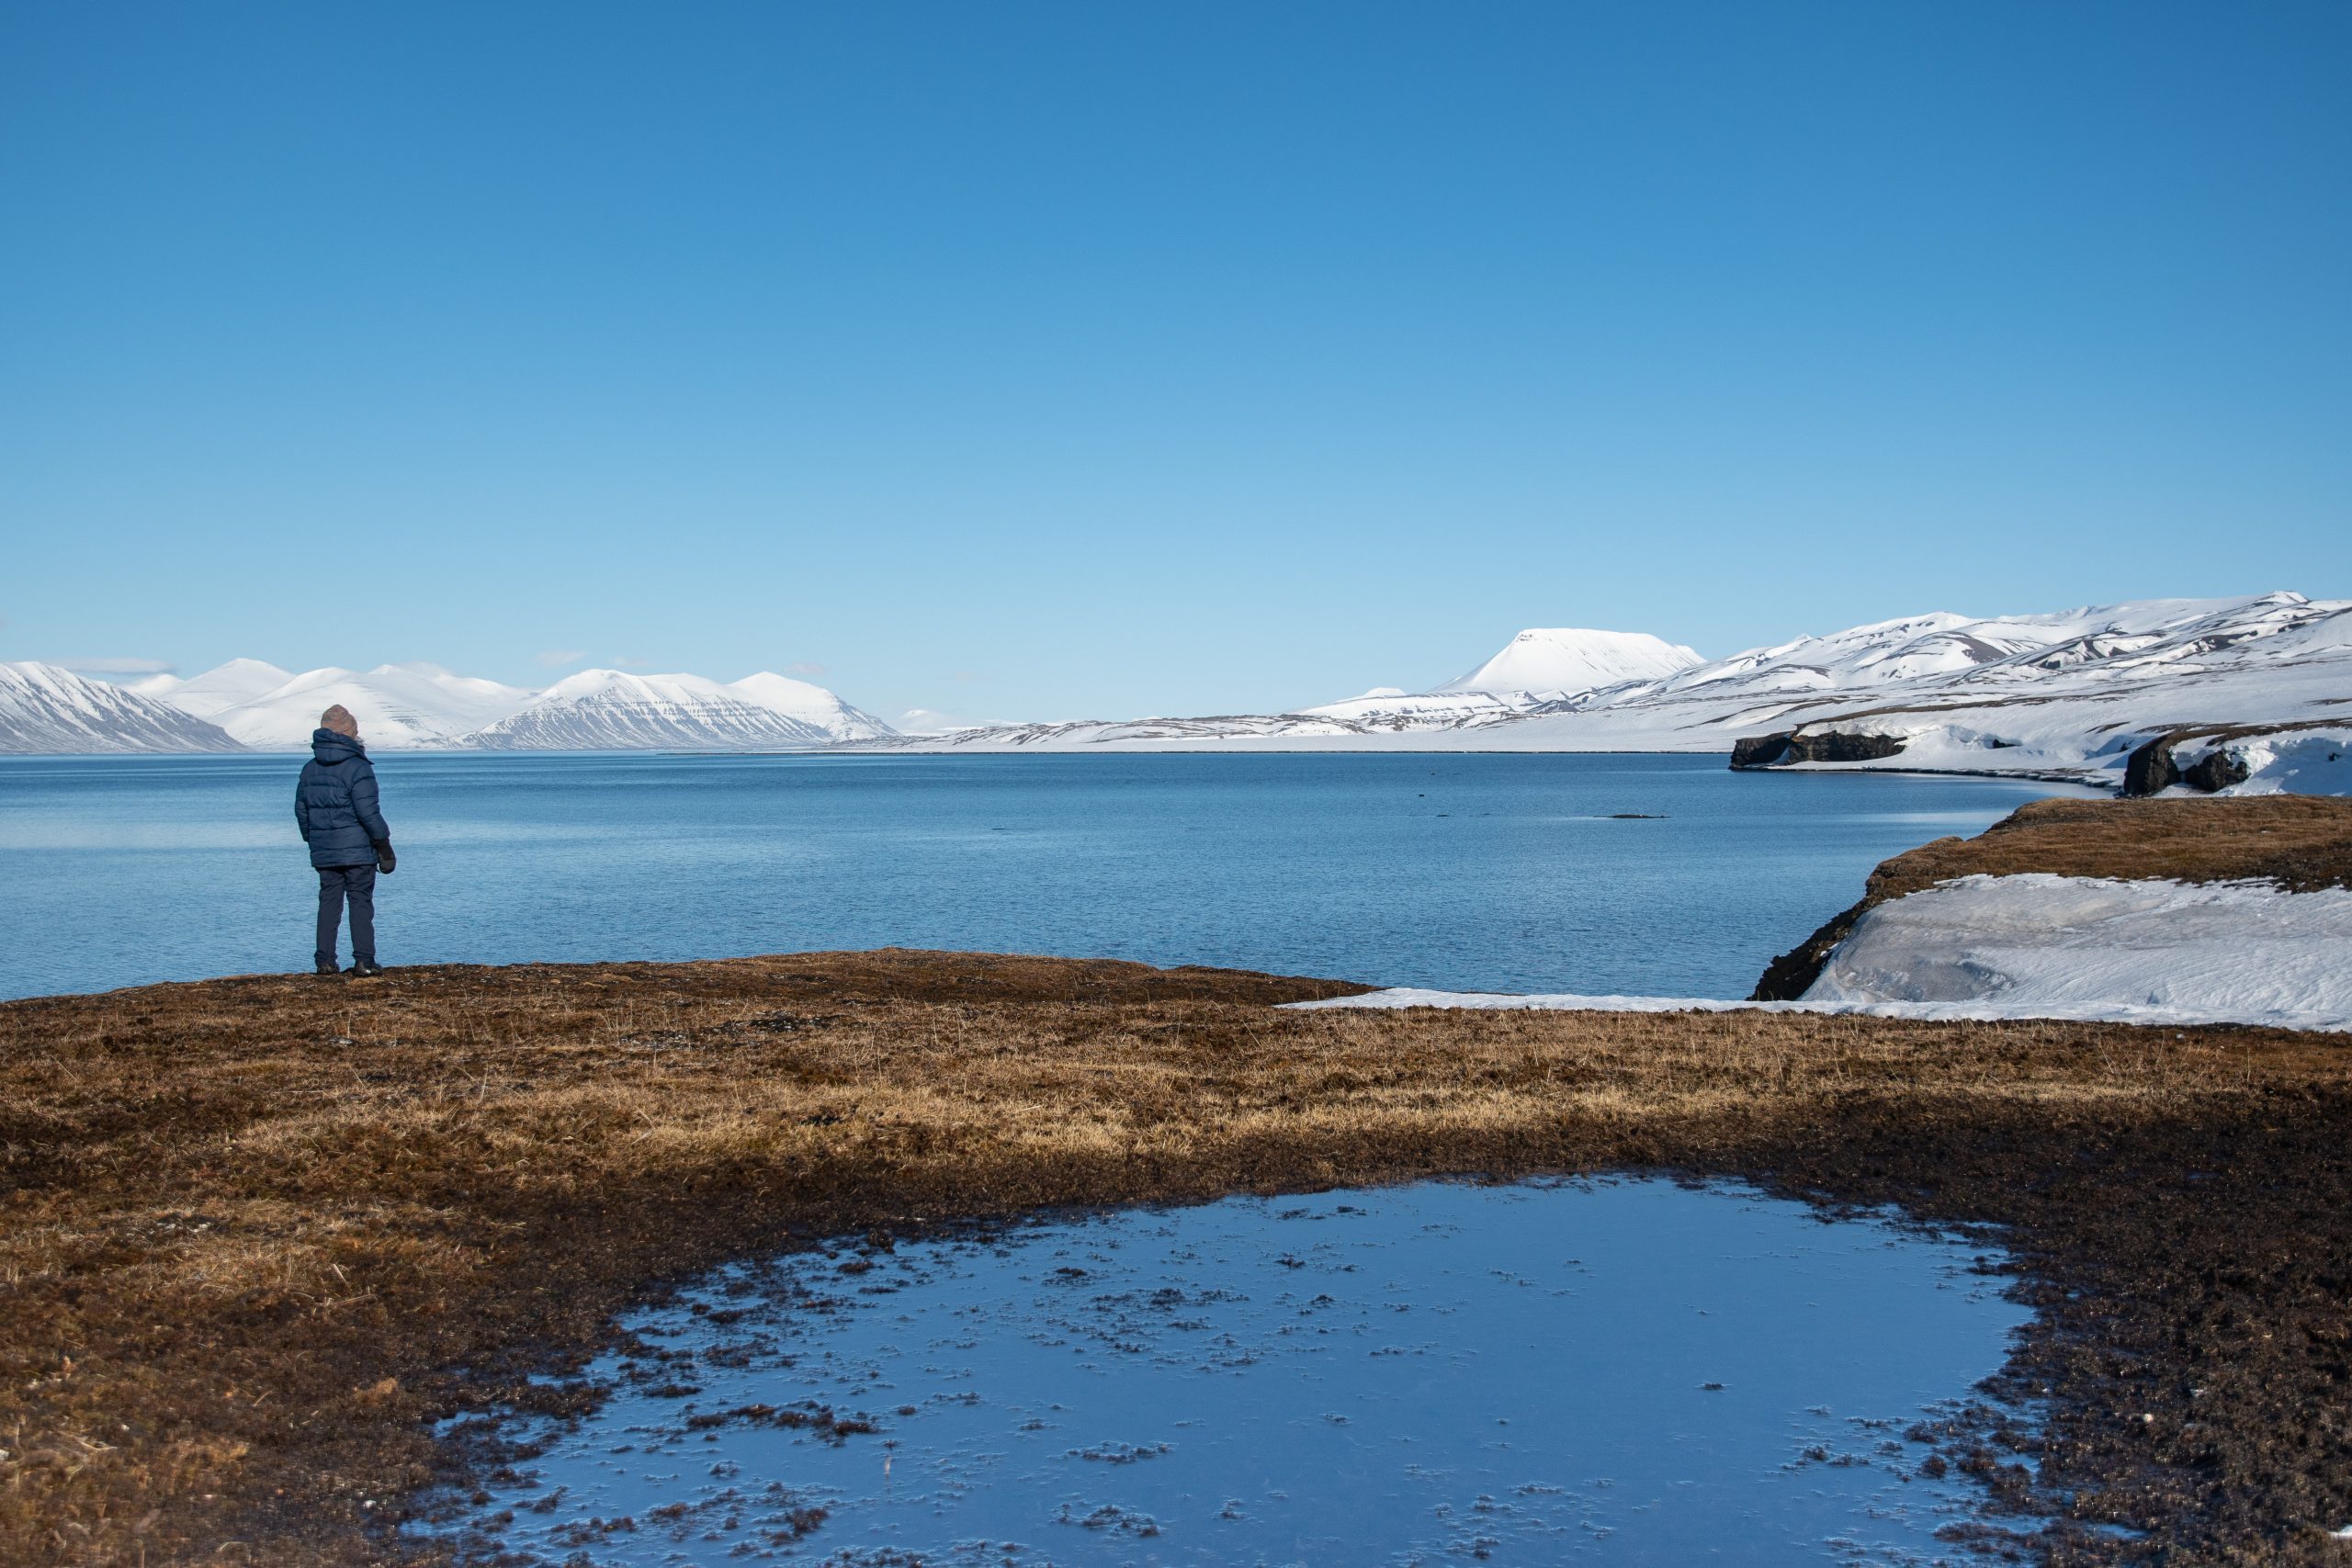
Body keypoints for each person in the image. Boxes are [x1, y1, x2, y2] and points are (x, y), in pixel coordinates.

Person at [296, 705, 397, 976]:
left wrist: (313, 839)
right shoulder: (358, 767)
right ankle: (364, 960)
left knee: (328, 902)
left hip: (324, 849)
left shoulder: (309, 769)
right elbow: (368, 812)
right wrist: (383, 845)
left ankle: (324, 961)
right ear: (352, 734)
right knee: (360, 901)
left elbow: (301, 810)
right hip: (357, 850)